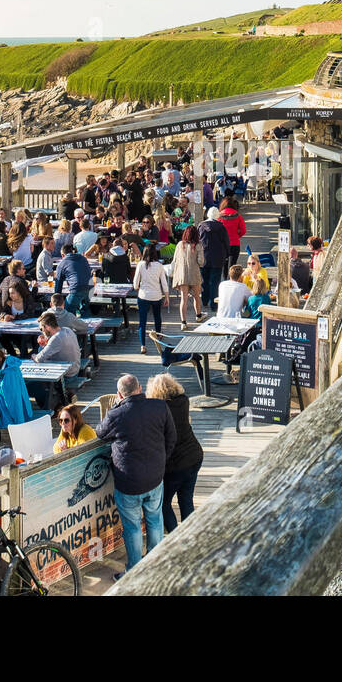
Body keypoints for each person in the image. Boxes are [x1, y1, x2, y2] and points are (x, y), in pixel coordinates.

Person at [96, 374, 175, 576]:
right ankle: (154, 565)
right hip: (155, 477)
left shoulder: (116, 414)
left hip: (128, 482)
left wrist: (115, 407)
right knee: (155, 520)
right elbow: (171, 437)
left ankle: (134, 571)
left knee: (132, 528)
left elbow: (100, 432)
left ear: (119, 394)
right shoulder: (159, 406)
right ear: (140, 388)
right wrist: (161, 461)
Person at [146, 373, 203, 534]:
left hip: (175, 464)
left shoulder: (159, 410)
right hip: (194, 455)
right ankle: (190, 535)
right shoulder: (183, 401)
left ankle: (175, 536)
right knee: (186, 500)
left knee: (164, 504)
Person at [132, 244, 169, 355]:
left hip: (143, 296)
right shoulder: (159, 265)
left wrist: (139, 287)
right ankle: (158, 336)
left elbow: (135, 284)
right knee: (157, 317)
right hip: (156, 296)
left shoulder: (141, 265)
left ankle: (143, 345)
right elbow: (164, 283)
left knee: (142, 322)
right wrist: (167, 296)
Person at [169, 226, 203, 328]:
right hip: (194, 274)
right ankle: (198, 315)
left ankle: (183, 322)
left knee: (183, 299)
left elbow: (175, 260)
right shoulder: (198, 245)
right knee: (197, 296)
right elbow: (201, 262)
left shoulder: (180, 244)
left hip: (182, 275)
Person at [197, 207, 230, 312]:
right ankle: (214, 304)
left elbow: (197, 241)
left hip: (204, 257)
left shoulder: (201, 226)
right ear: (217, 216)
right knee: (215, 282)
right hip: (218, 258)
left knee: (204, 280)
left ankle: (205, 300)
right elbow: (226, 243)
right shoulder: (221, 227)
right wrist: (227, 254)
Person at [34, 311, 81, 377]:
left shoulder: (56, 338)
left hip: (67, 376)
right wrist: (45, 343)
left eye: (41, 329)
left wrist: (40, 347)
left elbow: (39, 359)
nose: (42, 332)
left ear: (47, 327)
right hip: (75, 370)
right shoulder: (67, 330)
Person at [54, 243, 93, 316]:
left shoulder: (62, 263)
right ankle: (87, 325)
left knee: (67, 313)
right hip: (89, 287)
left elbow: (58, 285)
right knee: (85, 310)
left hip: (77, 288)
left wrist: (56, 302)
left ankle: (74, 326)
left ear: (62, 255)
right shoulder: (83, 258)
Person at [218, 195, 247, 273]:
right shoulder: (238, 216)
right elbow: (243, 230)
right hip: (235, 243)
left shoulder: (219, 216)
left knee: (224, 266)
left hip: (222, 245)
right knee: (232, 266)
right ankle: (232, 281)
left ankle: (225, 282)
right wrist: (237, 236)